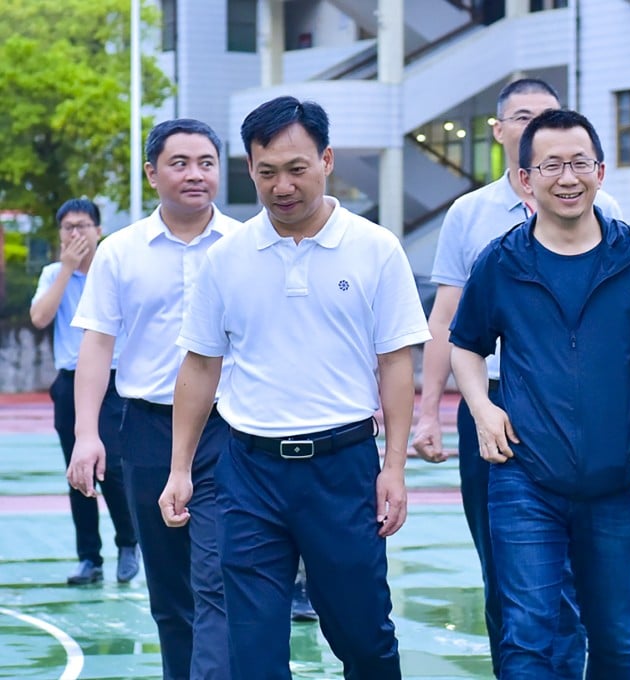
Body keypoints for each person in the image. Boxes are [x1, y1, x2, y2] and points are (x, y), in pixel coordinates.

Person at [159, 95, 430, 679]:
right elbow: (200, 367)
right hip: (249, 471)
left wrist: (395, 467)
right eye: (266, 172)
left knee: (363, 637)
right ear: (251, 170)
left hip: (344, 467)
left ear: (326, 159)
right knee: (251, 652)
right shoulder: (226, 257)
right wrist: (180, 467)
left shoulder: (375, 248)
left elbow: (396, 363)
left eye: (296, 169)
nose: (282, 186)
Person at [449, 109, 630, 679]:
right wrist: (482, 408)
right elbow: (465, 346)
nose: (568, 177)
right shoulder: (502, 263)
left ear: (600, 171)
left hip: (613, 480)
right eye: (551, 165)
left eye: (580, 163)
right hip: (524, 476)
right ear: (526, 179)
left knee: (614, 639)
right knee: (528, 636)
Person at [412, 77, 621, 678]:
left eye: (551, 116)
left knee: (582, 573)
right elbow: (447, 320)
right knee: (508, 567)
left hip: (580, 405)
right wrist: (431, 411)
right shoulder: (470, 215)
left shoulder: (606, 209)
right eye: (525, 118)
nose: (539, 127)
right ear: (502, 132)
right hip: (494, 405)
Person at [67, 119, 240, 680]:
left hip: (229, 430)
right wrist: (88, 434)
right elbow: (96, 346)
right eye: (180, 163)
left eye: (206, 163)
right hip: (145, 429)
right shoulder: (120, 252)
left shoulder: (247, 246)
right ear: (152, 172)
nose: (195, 174)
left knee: (216, 576)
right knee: (169, 589)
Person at [30, 198, 139, 586]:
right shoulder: (52, 274)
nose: (75, 234)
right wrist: (67, 271)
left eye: (82, 226)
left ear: (98, 230)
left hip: (112, 382)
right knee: (77, 471)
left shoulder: (114, 272)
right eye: (68, 228)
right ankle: (88, 559)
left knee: (112, 469)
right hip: (69, 382)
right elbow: (40, 317)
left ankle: (128, 542)